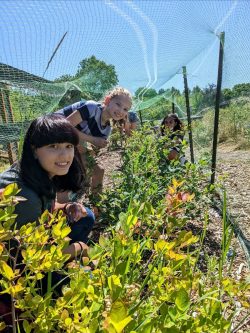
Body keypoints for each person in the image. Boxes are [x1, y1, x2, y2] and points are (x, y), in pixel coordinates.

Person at [0, 114, 95, 259]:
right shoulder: (23, 195)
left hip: (33, 242)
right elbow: (34, 257)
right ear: (34, 150)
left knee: (85, 217)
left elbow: (43, 208)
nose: (64, 155)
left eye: (69, 146)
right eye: (53, 146)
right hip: (18, 265)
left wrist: (66, 207)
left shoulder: (37, 170)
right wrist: (79, 247)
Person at [55, 86, 132, 201]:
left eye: (125, 109)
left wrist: (95, 148)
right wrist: (93, 140)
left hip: (70, 142)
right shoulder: (92, 108)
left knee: (98, 170)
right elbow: (65, 126)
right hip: (52, 131)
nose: (121, 111)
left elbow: (92, 154)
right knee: (66, 171)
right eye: (118, 104)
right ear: (107, 100)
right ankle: (62, 207)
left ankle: (97, 203)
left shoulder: (106, 130)